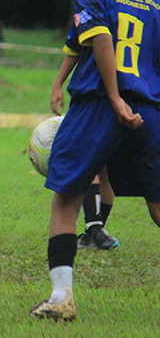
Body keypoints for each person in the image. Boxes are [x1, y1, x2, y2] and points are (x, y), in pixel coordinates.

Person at [30, 0, 160, 321]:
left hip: (101, 106)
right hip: (150, 111)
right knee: (157, 206)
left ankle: (61, 297)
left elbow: (100, 39)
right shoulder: (157, 4)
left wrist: (115, 96)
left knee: (66, 199)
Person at [49, 36, 119, 250]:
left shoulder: (96, 5)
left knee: (93, 161)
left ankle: (95, 228)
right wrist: (58, 84)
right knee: (103, 166)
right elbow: (74, 47)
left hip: (97, 96)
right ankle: (95, 231)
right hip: (124, 95)